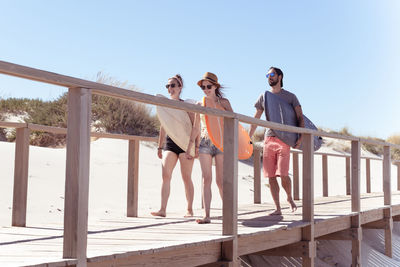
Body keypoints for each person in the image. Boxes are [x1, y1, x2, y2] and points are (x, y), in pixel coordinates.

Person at [249, 67, 303, 215]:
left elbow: (300, 117)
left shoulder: (290, 97)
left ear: (280, 77)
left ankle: (289, 198)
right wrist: (249, 136)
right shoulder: (264, 96)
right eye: (267, 75)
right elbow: (256, 118)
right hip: (268, 139)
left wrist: (300, 137)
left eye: (272, 74)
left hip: (284, 140)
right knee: (271, 176)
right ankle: (277, 208)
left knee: (283, 174)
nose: (269, 77)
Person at [186, 72, 233, 224]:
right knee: (207, 179)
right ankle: (207, 215)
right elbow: (195, 128)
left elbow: (233, 124)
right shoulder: (199, 105)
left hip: (221, 144)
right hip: (205, 143)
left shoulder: (224, 102)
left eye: (208, 86)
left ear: (215, 87)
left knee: (220, 181)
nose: (206, 89)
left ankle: (229, 212)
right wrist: (190, 146)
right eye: (203, 87)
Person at [151, 74, 197, 218]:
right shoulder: (166, 106)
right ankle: (162, 209)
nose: (169, 88)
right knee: (165, 175)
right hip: (170, 143)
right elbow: (163, 127)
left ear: (180, 87)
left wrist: (194, 146)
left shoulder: (186, 104)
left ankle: (189, 209)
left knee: (186, 177)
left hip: (185, 144)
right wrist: (159, 146)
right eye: (168, 86)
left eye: (172, 85)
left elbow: (194, 125)